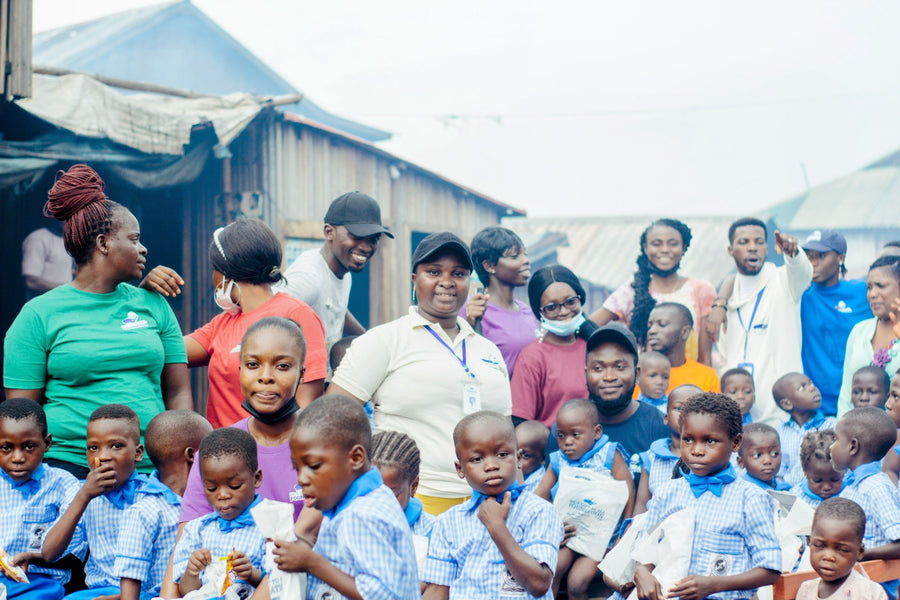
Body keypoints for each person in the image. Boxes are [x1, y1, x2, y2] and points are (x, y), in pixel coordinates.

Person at [4, 164, 192, 478]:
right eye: (134, 239)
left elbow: (178, 393)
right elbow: (22, 419)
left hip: (149, 470)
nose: (143, 248)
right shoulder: (37, 315)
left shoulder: (154, 304)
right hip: (68, 470)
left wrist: (180, 463)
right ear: (103, 244)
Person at [327, 232, 511, 515]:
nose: (447, 282)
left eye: (458, 273)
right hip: (410, 505)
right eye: (434, 272)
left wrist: (517, 500)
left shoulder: (488, 350)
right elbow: (330, 422)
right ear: (414, 279)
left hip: (489, 507)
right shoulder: (384, 341)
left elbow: (507, 437)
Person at [141, 218, 327, 426]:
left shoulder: (297, 314)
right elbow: (155, 350)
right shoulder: (222, 324)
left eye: (214, 269)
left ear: (225, 274)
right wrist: (142, 296)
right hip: (223, 446)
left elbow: (307, 408)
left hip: (275, 445)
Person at [631, 393, 781, 600]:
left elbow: (770, 569)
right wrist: (642, 572)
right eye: (688, 440)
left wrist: (714, 585)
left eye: (709, 441)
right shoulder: (667, 493)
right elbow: (644, 550)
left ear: (735, 442)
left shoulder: (751, 499)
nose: (697, 450)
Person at [270, 394, 420, 600]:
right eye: (297, 468)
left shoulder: (360, 515)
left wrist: (312, 563)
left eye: (314, 466)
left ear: (356, 458)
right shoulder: (369, 496)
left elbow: (382, 595)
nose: (302, 479)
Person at [180, 317, 314, 525]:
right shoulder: (216, 451)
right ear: (240, 370)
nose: (266, 377)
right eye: (253, 364)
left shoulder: (326, 444)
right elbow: (188, 538)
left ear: (301, 374)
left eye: (282, 366)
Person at [423, 410, 564, 600]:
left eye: (502, 454)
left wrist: (497, 527)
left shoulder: (539, 511)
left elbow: (539, 584)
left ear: (518, 459)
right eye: (477, 459)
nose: (491, 466)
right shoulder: (448, 522)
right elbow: (438, 591)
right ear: (460, 469)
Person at [42, 405, 149, 599]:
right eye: (93, 448)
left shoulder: (152, 497)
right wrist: (84, 496)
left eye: (116, 446)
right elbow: (50, 553)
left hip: (144, 593)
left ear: (138, 453)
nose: (102, 457)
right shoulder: (84, 495)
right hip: (99, 591)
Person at [713, 218, 812, 426]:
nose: (752, 247)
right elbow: (724, 357)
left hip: (780, 413)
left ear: (767, 248)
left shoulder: (784, 281)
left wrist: (793, 254)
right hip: (738, 415)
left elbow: (802, 272)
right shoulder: (726, 298)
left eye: (759, 241)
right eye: (744, 242)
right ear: (731, 251)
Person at [534, 399, 633, 600]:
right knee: (551, 569)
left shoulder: (608, 454)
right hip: (568, 534)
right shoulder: (558, 460)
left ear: (596, 432)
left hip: (600, 538)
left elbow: (628, 491)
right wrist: (552, 527)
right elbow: (538, 498)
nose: (567, 442)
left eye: (575, 434)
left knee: (577, 582)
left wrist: (623, 535)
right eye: (561, 436)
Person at [113, 410, 211, 600]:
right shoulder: (144, 511)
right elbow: (131, 578)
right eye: (210, 449)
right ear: (192, 455)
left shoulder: (215, 501)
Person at [590, 218, 716, 365]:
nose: (665, 249)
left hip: (689, 378)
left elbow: (705, 356)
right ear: (645, 248)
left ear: (684, 247)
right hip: (643, 377)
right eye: (657, 244)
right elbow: (588, 327)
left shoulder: (701, 290)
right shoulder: (629, 293)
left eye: (673, 244)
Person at [280, 191, 393, 349]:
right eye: (356, 236)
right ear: (329, 232)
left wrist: (369, 339)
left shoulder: (343, 271)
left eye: (373, 240)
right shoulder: (309, 277)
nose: (366, 247)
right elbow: (265, 319)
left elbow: (338, 311)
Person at [0, 398, 82, 600]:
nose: (17, 458)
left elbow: (75, 549)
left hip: (40, 582)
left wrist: (34, 558)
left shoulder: (63, 484)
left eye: (29, 447)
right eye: (6, 448)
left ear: (47, 443)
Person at [172, 428, 266, 598]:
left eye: (235, 486)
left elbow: (280, 584)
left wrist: (251, 574)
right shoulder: (197, 530)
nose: (222, 495)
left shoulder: (269, 528)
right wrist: (192, 571)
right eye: (211, 488)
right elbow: (186, 592)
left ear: (257, 478)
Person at [511, 265, 595, 426]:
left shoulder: (594, 346)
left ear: (580, 299)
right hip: (551, 441)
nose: (563, 311)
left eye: (570, 302)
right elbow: (521, 423)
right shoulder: (532, 358)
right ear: (540, 312)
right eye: (551, 307)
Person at [800, 230, 871, 416]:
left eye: (821, 256)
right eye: (809, 256)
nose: (813, 262)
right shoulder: (800, 295)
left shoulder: (862, 292)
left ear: (841, 257)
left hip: (860, 398)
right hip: (816, 405)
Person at [579, 323, 669, 467]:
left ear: (637, 374)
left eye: (620, 367)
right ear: (586, 374)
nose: (609, 377)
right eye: (598, 368)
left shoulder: (659, 427)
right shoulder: (566, 428)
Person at [834, 407, 900, 599]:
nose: (831, 447)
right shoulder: (851, 486)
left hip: (875, 586)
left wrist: (861, 554)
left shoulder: (876, 487)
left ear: (853, 446)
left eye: (836, 440)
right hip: (851, 584)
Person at [462, 226, 539, 376]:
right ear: (489, 265)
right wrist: (469, 325)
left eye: (525, 254)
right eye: (515, 256)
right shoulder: (473, 311)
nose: (526, 261)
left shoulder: (528, 311)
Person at [837, 256, 900, 416]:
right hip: (860, 428)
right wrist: (844, 427)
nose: (872, 294)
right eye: (869, 287)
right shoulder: (859, 331)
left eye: (880, 286)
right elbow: (846, 395)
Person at [371, 429, 435, 584]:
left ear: (414, 486)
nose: (379, 501)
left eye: (391, 493)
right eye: (370, 490)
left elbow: (430, 582)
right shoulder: (349, 521)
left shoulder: (431, 530)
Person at [796, 497, 887, 600]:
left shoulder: (869, 594)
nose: (828, 557)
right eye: (819, 545)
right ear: (809, 541)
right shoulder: (806, 590)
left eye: (842, 550)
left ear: (859, 552)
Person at [635, 384, 701, 515]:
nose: (686, 414)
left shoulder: (710, 456)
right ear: (666, 418)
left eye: (695, 409)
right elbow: (641, 505)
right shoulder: (652, 457)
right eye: (679, 408)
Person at [641, 302, 720, 396]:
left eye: (662, 324)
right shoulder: (638, 371)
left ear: (684, 332)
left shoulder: (706, 376)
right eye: (649, 326)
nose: (651, 331)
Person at [773, 372, 836, 487]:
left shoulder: (832, 425)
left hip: (825, 490)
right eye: (802, 387)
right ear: (787, 404)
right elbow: (778, 471)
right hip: (788, 492)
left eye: (811, 383)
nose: (812, 388)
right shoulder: (779, 433)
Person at [21, 219, 72, 300]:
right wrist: (67, 290)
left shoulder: (69, 241)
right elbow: (31, 282)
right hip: (44, 305)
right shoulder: (38, 238)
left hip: (63, 303)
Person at [792, 430, 842, 509]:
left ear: (844, 471)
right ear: (805, 471)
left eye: (835, 479)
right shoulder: (796, 497)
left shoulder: (849, 494)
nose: (826, 487)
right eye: (817, 480)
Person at [737, 423, 791, 491]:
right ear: (741, 462)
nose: (767, 461)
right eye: (757, 455)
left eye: (774, 454)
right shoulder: (743, 491)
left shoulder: (783, 487)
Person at [516, 420, 550, 493]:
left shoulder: (539, 480)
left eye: (525, 455)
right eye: (513, 452)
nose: (516, 459)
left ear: (543, 458)